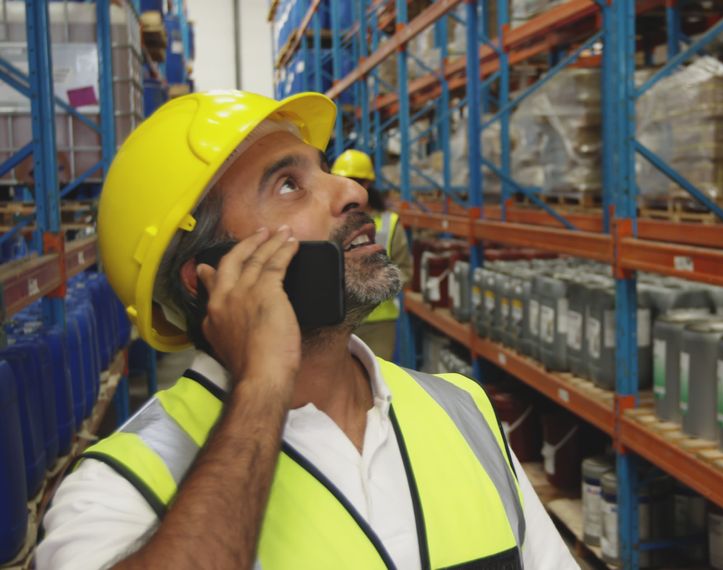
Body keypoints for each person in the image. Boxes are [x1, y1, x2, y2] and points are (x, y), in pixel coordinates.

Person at [37, 91, 576, 569]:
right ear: (210, 276)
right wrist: (263, 385)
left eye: (324, 169)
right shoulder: (119, 485)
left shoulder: (465, 411)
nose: (351, 191)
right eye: (289, 184)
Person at [330, 149, 412, 360]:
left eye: (355, 181)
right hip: (336, 320)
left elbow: (406, 271)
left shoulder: (389, 222)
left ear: (367, 185)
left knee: (375, 383)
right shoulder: (330, 220)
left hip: (378, 323)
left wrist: (374, 286)